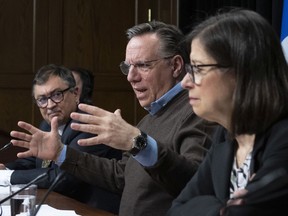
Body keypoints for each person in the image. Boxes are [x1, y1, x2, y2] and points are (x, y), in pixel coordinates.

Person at [10, 21, 217, 216]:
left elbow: (194, 184)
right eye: (128, 67)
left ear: (176, 66)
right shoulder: (149, 119)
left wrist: (139, 143)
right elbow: (120, 177)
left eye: (143, 65)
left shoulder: (196, 112)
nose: (131, 77)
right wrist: (61, 153)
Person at [165, 9, 288, 215]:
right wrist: (221, 209)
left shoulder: (284, 137)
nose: (185, 82)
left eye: (198, 68)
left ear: (242, 71)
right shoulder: (225, 136)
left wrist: (214, 207)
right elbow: (176, 210)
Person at [1, 64, 122, 213]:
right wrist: (6, 168)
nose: (50, 105)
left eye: (57, 95)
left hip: (93, 210)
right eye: (42, 99)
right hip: (63, 206)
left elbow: (65, 179)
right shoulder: (47, 126)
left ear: (75, 93)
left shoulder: (88, 125)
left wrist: (9, 177)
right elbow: (34, 161)